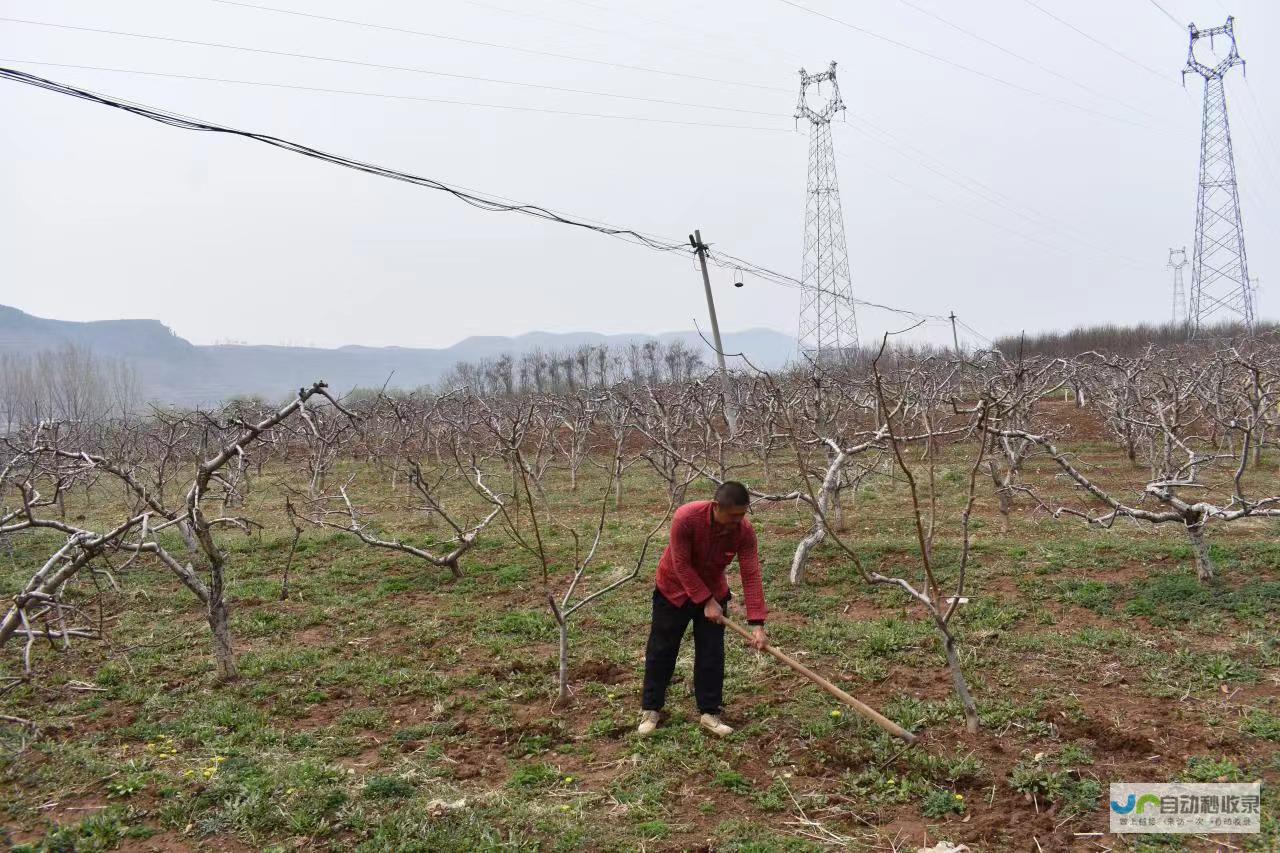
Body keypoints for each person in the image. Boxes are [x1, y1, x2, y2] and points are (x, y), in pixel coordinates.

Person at [638, 481, 767, 737]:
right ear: (716, 506)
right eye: (734, 515)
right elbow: (681, 564)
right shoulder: (686, 517)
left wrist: (757, 623)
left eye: (743, 514)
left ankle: (710, 712)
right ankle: (651, 708)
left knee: (712, 653)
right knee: (662, 649)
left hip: (715, 592)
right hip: (673, 589)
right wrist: (706, 602)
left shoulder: (743, 531)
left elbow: (751, 573)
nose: (738, 521)